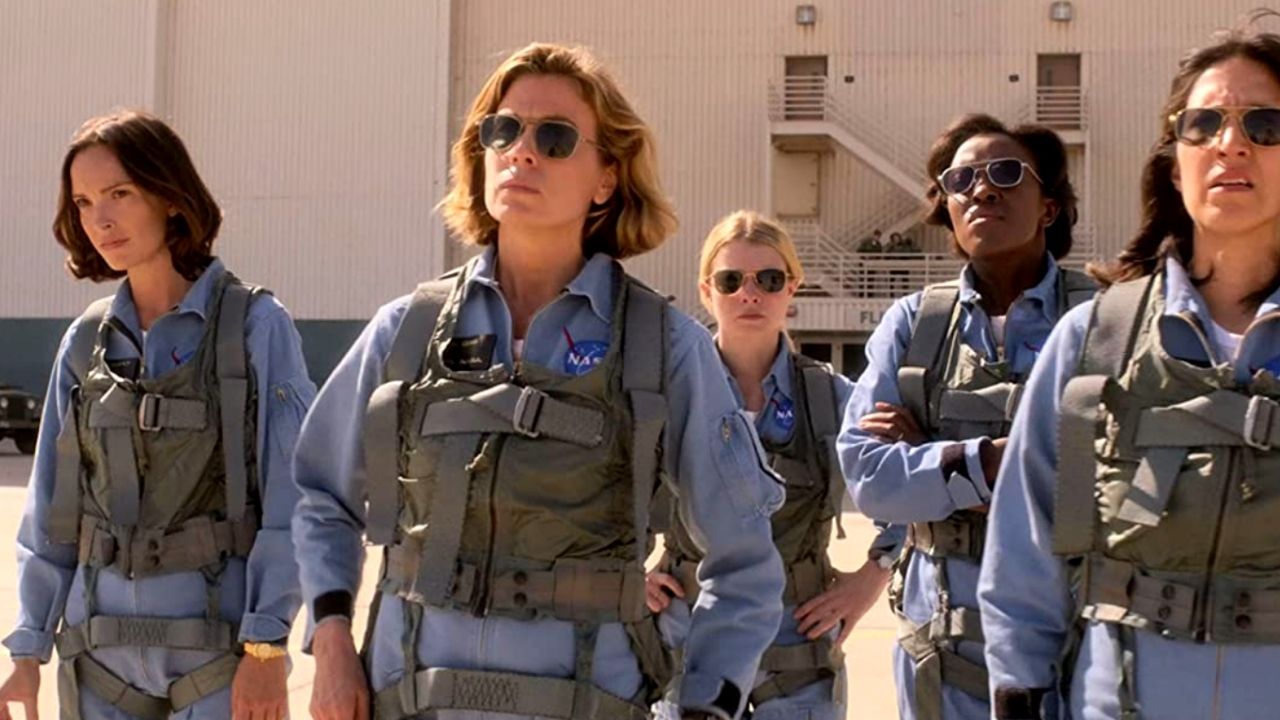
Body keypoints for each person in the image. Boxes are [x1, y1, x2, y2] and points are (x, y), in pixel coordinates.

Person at [292, 43, 786, 720]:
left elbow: (744, 561)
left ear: (607, 177)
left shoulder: (662, 347)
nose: (521, 152)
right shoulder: (407, 330)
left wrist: (708, 705)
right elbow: (322, 495)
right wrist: (331, 642)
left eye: (554, 138)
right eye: (503, 131)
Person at [980, 20, 1280, 720]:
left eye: (1265, 124)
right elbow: (1024, 554)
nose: (1231, 143)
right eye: (1203, 124)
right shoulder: (1097, 342)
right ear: (1176, 165)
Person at [0, 110, 315, 720]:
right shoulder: (87, 341)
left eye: (119, 193)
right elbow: (51, 509)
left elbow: (293, 499)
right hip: (98, 659)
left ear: (170, 196)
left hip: (216, 656)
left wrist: (267, 644)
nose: (100, 219)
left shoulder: (254, 327)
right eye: (84, 202)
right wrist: (27, 651)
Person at [837, 113, 1094, 720]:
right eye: (961, 180)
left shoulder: (1101, 322)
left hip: (1069, 657)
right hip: (939, 663)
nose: (981, 189)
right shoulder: (914, 325)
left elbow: (1117, 483)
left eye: (1005, 173)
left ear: (1049, 208)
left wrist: (932, 462)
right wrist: (999, 461)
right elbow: (869, 478)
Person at [646, 211, 900, 720]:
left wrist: (872, 577)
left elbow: (903, 490)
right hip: (690, 640)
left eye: (768, 279)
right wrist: (631, 575)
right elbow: (602, 487)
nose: (750, 294)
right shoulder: (666, 396)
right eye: (730, 281)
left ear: (792, 288)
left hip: (798, 649)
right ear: (706, 291)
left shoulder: (832, 398)